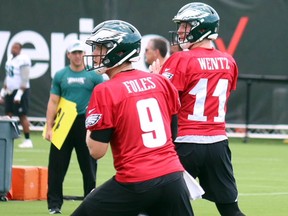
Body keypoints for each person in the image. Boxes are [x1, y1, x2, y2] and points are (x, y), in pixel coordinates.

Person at [71, 20, 194, 216]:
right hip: (173, 177)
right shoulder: (161, 80)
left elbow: (96, 151)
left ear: (119, 52)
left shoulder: (105, 90)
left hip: (136, 181)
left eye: (101, 48)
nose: (94, 54)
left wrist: (90, 127)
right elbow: (172, 133)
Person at [154, 2, 246, 216]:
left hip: (186, 142)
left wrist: (157, 80)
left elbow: (164, 102)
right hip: (218, 143)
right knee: (230, 209)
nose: (179, 31)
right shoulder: (228, 61)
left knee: (161, 206)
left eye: (185, 26)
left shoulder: (180, 59)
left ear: (201, 28)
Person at [44, 39, 103, 214]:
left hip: (85, 123)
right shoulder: (61, 75)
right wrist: (48, 127)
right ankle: (54, 205)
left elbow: (102, 100)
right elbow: (53, 101)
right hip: (63, 123)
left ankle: (90, 202)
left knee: (89, 167)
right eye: (74, 53)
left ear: (84, 54)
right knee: (56, 166)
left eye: (80, 52)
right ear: (68, 55)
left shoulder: (94, 76)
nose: (77, 56)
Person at [0, 42, 33, 148]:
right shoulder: (10, 58)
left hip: (21, 91)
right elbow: (8, 77)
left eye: (16, 48)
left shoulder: (23, 59)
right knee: (7, 115)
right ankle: (5, 137)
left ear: (20, 49)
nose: (14, 49)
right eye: (12, 47)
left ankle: (28, 140)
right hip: (10, 91)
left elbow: (25, 77)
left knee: (22, 115)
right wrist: (2, 92)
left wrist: (19, 94)